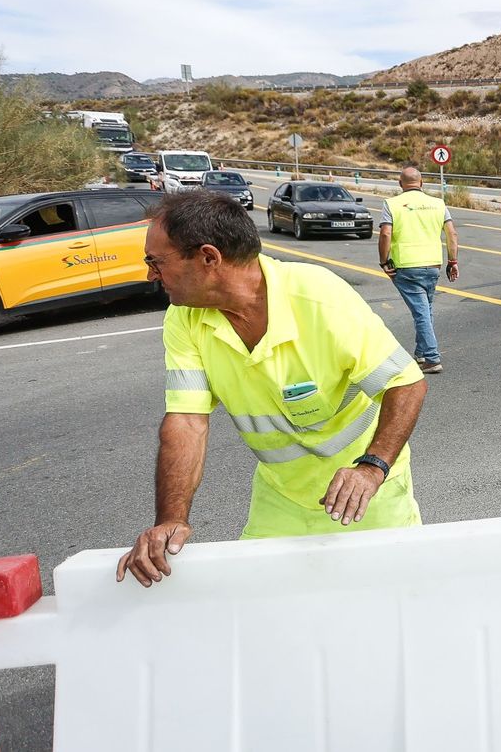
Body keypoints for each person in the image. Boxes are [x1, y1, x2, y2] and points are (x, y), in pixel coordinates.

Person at [117, 191, 428, 587]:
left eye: (156, 262)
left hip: (367, 496)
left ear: (209, 258)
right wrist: (171, 520)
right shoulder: (184, 320)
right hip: (281, 501)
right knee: (265, 612)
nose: (150, 275)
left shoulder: (317, 295)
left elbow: (406, 383)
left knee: (386, 605)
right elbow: (186, 422)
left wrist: (371, 469)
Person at [379, 167, 458, 375]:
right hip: (432, 265)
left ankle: (431, 358)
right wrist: (452, 261)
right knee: (425, 310)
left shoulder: (391, 204)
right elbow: (452, 233)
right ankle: (421, 353)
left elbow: (386, 234)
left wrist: (383, 261)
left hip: (406, 266)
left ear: (400, 184)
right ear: (422, 183)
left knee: (421, 312)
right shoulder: (438, 204)